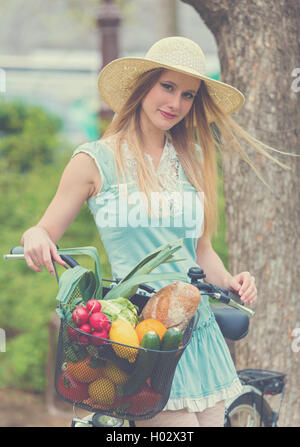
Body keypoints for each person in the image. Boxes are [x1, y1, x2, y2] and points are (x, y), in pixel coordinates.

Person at [22, 36, 290, 427]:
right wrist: (37, 237)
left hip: (199, 335)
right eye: (167, 87)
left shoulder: (193, 160)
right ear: (143, 86)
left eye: (188, 95)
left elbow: (200, 251)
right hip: (143, 337)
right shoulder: (95, 160)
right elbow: (44, 229)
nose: (176, 104)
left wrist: (232, 281)